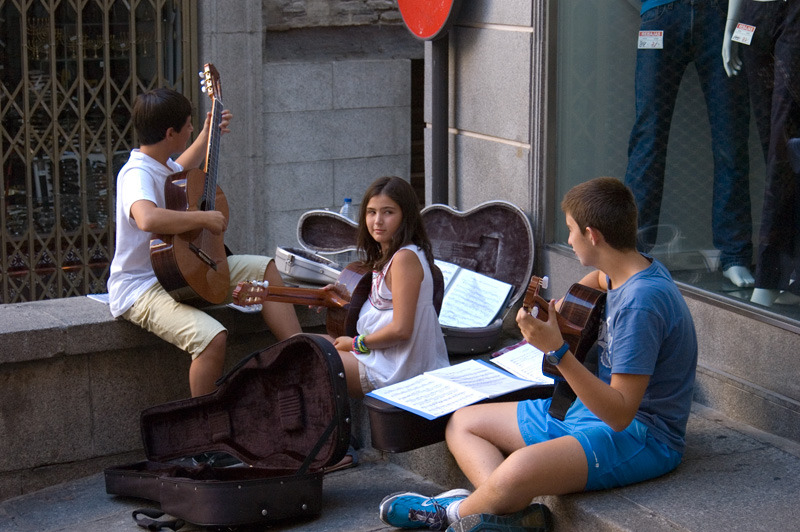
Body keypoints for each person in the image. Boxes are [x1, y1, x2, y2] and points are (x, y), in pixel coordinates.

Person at [378, 177, 698, 531]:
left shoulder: (642, 303)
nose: (569, 240)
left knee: (519, 468)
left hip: (641, 436)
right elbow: (596, 281)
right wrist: (564, 308)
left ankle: (450, 514)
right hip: (588, 411)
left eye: (571, 231)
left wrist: (557, 350)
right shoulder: (624, 271)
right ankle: (508, 514)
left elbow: (622, 413)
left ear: (593, 235)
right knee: (463, 422)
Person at [107, 87, 302, 398]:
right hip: (140, 288)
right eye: (188, 125)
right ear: (170, 133)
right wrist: (203, 219)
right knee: (212, 338)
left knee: (264, 269)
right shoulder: (135, 174)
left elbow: (179, 170)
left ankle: (301, 355)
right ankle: (204, 427)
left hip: (178, 271)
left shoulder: (159, 164)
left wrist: (208, 136)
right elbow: (147, 218)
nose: (192, 128)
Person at [625, 0, 754, 288]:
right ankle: (631, 251)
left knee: (730, 138)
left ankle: (734, 254)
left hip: (718, 17)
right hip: (660, 14)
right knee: (648, 136)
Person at [325, 175, 449, 399]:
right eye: (371, 212)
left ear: (406, 217)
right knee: (304, 343)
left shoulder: (404, 258)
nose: (377, 221)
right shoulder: (391, 255)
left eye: (388, 212)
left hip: (393, 370)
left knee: (309, 359)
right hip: (379, 357)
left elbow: (402, 330)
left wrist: (355, 344)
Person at [722, 0, 800, 307]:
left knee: (783, 149)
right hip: (753, 17)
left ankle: (769, 277)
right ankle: (792, 276)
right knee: (777, 154)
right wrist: (730, 28)